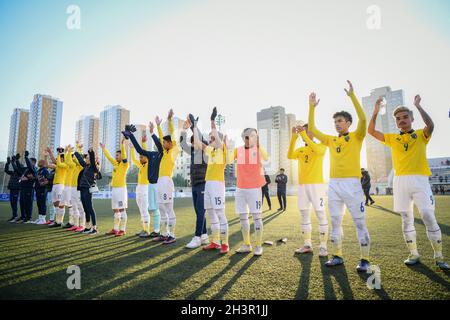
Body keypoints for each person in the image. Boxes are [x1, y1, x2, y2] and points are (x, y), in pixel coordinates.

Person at [368, 95, 448, 269]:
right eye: (398, 119)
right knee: (406, 218)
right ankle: (413, 253)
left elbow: (431, 126)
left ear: (412, 119)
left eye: (405, 117)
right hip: (400, 181)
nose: (402, 120)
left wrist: (418, 106)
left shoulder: (420, 135)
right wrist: (375, 111)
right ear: (396, 122)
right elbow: (371, 132)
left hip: (419, 180)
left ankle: (439, 256)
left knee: (427, 215)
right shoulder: (392, 138)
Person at [308, 81, 371, 272]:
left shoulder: (357, 136)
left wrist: (352, 96)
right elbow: (312, 128)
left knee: (359, 222)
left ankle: (365, 259)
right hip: (334, 184)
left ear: (348, 123)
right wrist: (311, 107)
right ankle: (337, 255)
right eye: (335, 122)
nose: (337, 124)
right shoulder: (330, 139)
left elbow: (363, 119)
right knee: (335, 221)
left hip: (352, 184)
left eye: (340, 121)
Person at [192, 107, 230, 254]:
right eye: (209, 138)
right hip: (208, 184)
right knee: (211, 213)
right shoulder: (211, 150)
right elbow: (196, 142)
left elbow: (216, 137)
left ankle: (225, 243)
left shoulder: (222, 149)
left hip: (217, 184)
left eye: (212, 138)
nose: (210, 139)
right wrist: (194, 126)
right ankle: (215, 241)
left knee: (220, 213)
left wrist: (212, 121)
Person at [288, 124, 328, 256]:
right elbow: (289, 155)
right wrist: (294, 137)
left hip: (317, 186)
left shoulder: (321, 146)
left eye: (308, 132)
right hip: (302, 186)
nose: (305, 134)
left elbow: (317, 151)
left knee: (321, 214)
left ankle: (323, 246)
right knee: (304, 215)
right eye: (304, 132)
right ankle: (307, 245)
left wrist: (304, 135)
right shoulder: (300, 150)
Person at [231, 128, 268, 256]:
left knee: (257, 217)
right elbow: (228, 159)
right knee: (243, 217)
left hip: (254, 189)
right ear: (242, 137)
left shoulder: (258, 150)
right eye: (246, 136)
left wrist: (257, 141)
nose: (248, 138)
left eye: (252, 136)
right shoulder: (238, 150)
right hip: (240, 188)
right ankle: (247, 244)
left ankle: (258, 245)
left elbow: (267, 157)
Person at [123, 122, 163, 239]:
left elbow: (160, 146)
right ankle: (154, 230)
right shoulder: (150, 155)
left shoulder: (161, 154)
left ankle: (158, 230)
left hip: (157, 184)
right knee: (151, 208)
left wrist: (152, 133)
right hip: (150, 185)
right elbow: (139, 149)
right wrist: (130, 135)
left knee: (156, 209)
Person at [180, 114, 209, 249]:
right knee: (198, 211)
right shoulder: (192, 151)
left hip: (203, 183)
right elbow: (181, 143)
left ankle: (197, 237)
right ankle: (204, 235)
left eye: (195, 141)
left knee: (201, 211)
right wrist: (184, 130)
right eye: (192, 142)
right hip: (195, 184)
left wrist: (194, 126)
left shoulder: (205, 149)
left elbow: (201, 138)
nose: (193, 143)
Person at [153, 109, 180, 244]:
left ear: (170, 143)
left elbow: (173, 136)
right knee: (161, 209)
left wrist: (169, 121)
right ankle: (163, 234)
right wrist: (158, 126)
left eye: (165, 142)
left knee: (169, 209)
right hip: (159, 182)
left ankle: (172, 235)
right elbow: (161, 136)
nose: (163, 144)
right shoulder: (165, 152)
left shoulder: (174, 150)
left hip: (167, 182)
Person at [101, 138, 129, 236]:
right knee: (115, 209)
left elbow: (124, 155)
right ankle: (115, 229)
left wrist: (122, 144)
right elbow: (109, 157)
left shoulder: (125, 164)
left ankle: (122, 229)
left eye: (117, 155)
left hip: (121, 189)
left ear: (122, 155)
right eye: (116, 155)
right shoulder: (115, 163)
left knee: (122, 209)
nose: (116, 157)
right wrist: (104, 149)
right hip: (115, 189)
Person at [75, 148, 101, 235]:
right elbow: (80, 160)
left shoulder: (94, 167)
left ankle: (94, 228)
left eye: (88, 159)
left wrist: (91, 152)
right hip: (82, 189)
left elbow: (93, 161)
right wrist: (75, 152)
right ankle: (87, 227)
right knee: (85, 208)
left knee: (90, 208)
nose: (86, 160)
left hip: (87, 189)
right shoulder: (86, 166)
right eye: (86, 159)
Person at [129, 135, 151, 238]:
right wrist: (132, 149)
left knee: (144, 209)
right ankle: (143, 229)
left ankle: (147, 230)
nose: (140, 158)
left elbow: (145, 152)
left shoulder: (148, 164)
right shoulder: (140, 165)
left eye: (141, 157)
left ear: (146, 157)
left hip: (146, 188)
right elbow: (133, 158)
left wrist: (143, 143)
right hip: (139, 188)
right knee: (141, 209)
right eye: (140, 157)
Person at [67, 143, 87, 232]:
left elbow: (78, 157)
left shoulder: (82, 166)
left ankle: (82, 225)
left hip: (78, 188)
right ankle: (76, 224)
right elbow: (68, 161)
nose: (74, 159)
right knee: (74, 206)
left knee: (81, 207)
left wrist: (78, 149)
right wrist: (68, 152)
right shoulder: (75, 166)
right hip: (72, 188)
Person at [46, 147, 68, 227]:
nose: (58, 158)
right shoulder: (57, 166)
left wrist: (61, 153)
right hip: (54, 185)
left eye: (61, 157)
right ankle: (57, 221)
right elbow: (48, 165)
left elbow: (58, 162)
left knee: (60, 203)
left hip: (60, 185)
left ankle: (60, 221)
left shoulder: (65, 165)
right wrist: (48, 155)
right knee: (55, 204)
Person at [12, 152, 35, 223]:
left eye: (29, 161)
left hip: (29, 189)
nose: (27, 163)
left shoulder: (33, 169)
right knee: (22, 203)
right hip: (23, 188)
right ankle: (23, 217)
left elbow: (29, 166)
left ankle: (28, 218)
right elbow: (18, 168)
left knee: (28, 203)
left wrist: (26, 157)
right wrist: (16, 160)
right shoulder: (26, 169)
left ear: (33, 163)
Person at [31, 154, 50, 224]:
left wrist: (44, 183)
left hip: (43, 189)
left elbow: (48, 180)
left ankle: (43, 219)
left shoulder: (45, 170)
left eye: (40, 162)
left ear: (43, 163)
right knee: (39, 203)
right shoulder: (39, 170)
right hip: (37, 189)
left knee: (42, 203)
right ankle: (40, 218)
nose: (38, 163)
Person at [62, 146, 77, 229]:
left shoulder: (73, 165)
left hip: (71, 187)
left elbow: (67, 160)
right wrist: (66, 152)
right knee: (70, 205)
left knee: (71, 205)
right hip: (67, 186)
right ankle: (71, 222)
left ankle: (72, 222)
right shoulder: (69, 166)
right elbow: (65, 161)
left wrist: (68, 151)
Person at [4, 156, 21, 222]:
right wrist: (7, 163)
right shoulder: (13, 173)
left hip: (16, 189)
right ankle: (14, 216)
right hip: (12, 188)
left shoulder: (20, 173)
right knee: (12, 202)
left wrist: (13, 162)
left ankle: (15, 216)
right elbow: (6, 170)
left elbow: (16, 168)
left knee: (14, 202)